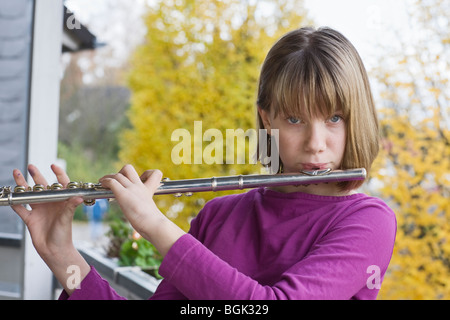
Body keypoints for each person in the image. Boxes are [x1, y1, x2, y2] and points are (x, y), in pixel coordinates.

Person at [12, 27, 396, 300]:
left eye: (334, 118)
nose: (316, 144)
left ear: (355, 117)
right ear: (267, 120)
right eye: (295, 119)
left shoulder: (368, 221)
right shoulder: (219, 216)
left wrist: (154, 224)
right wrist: (62, 255)